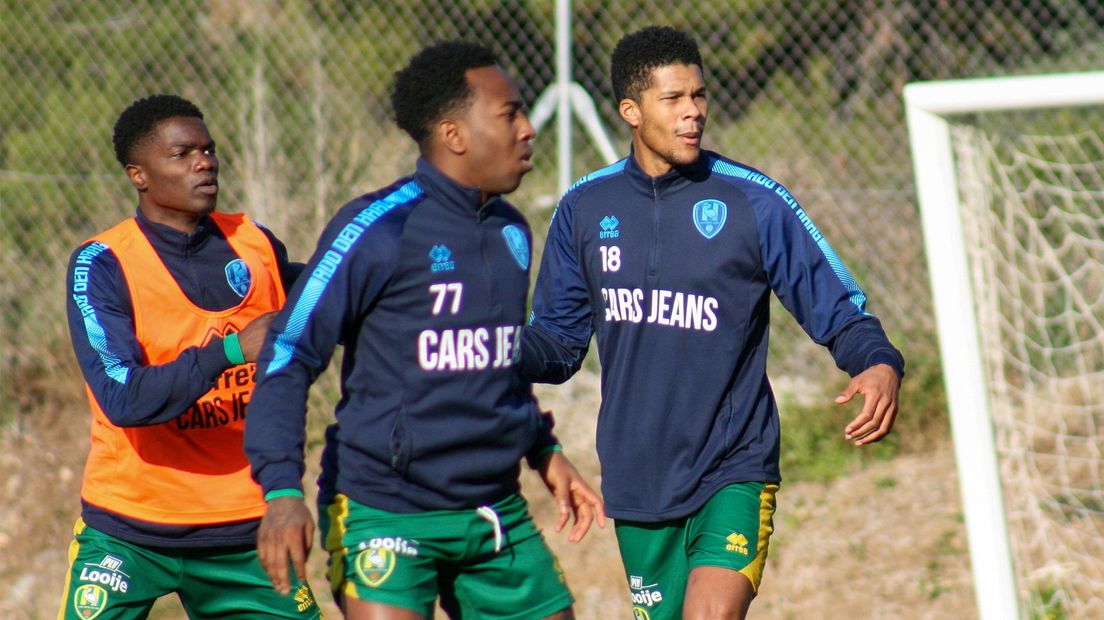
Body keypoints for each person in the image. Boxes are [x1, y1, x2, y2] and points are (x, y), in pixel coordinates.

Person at [520, 26, 905, 620]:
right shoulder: (584, 208)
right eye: (673, 100)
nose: (693, 113)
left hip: (734, 465)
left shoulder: (755, 201)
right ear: (631, 110)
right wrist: (497, 349)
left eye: (698, 96)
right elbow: (559, 342)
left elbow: (835, 303)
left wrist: (876, 360)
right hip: (639, 475)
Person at [243, 41, 605, 620]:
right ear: (454, 134)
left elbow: (496, 361)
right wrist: (282, 491)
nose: (529, 128)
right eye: (510, 113)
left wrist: (545, 450)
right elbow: (288, 355)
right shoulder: (377, 231)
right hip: (385, 511)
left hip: (493, 511)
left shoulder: (511, 231)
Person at [60, 94, 320, 619]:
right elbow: (123, 398)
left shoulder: (256, 245)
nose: (205, 162)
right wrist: (229, 351)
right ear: (139, 174)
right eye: (183, 154)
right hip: (129, 528)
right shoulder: (103, 263)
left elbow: (336, 299)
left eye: (209, 150)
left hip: (246, 528)